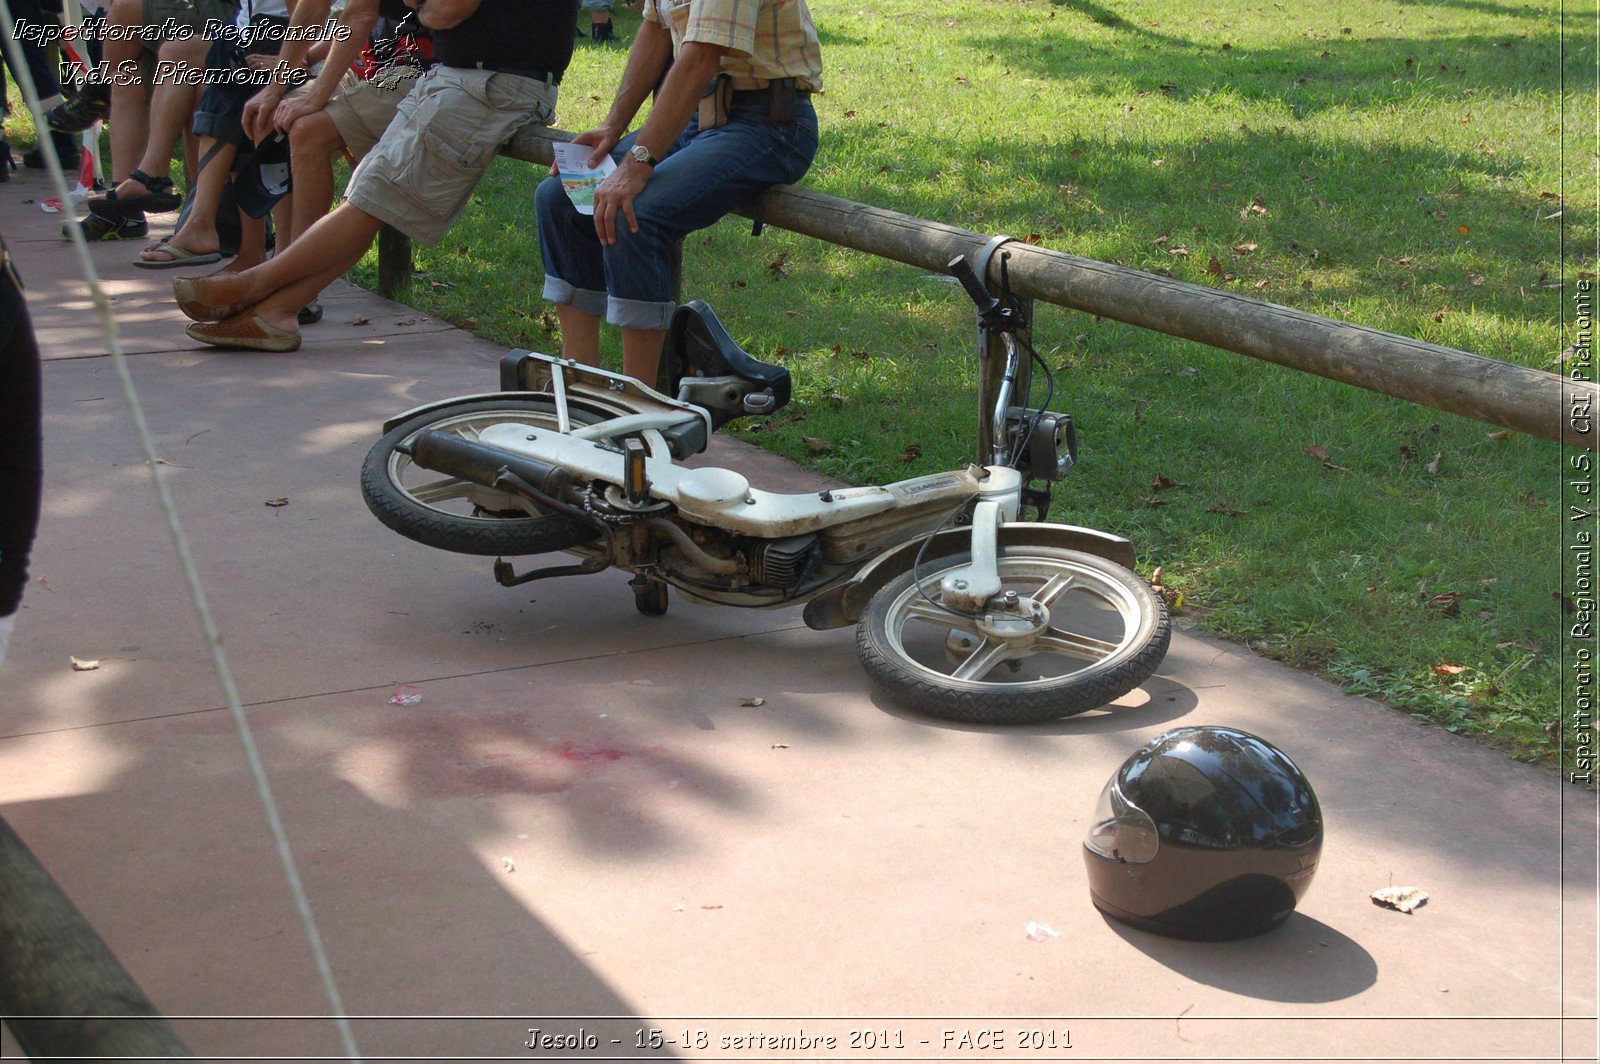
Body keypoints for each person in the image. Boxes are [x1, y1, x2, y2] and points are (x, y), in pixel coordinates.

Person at [173, 0, 578, 352]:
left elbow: (446, 10)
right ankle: (276, 311)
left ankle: (255, 286)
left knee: (373, 196)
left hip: (491, 82)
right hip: (458, 75)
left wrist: (420, 7)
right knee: (369, 193)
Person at [533, 0, 820, 387]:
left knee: (635, 212)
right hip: (695, 115)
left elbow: (702, 56)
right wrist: (613, 125)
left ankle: (639, 401)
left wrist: (636, 165)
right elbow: (655, 29)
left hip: (768, 124)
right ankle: (582, 383)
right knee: (560, 198)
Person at [135, 0, 296, 268]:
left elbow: (313, 15)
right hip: (254, 32)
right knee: (226, 65)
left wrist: (295, 59)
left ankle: (266, 251)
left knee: (236, 85)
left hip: (303, 44)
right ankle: (231, 240)